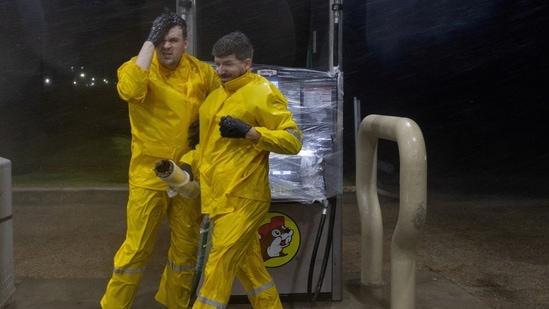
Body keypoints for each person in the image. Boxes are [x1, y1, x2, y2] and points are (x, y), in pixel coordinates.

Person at [100, 9, 220, 309]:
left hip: (187, 176)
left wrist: (206, 129)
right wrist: (148, 43)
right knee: (137, 248)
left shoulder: (202, 73)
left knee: (185, 250)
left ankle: (176, 303)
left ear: (186, 43)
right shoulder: (139, 67)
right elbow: (129, 90)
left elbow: (222, 108)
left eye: (173, 40)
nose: (167, 46)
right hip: (148, 175)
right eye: (161, 40)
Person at [180, 31, 303, 309]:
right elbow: (209, 149)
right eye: (217, 64)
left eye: (227, 64)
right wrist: (189, 161)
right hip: (219, 199)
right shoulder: (214, 99)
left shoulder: (263, 93)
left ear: (247, 63)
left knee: (217, 269)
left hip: (245, 197)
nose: (220, 71)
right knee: (251, 271)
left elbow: (293, 140)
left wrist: (251, 133)